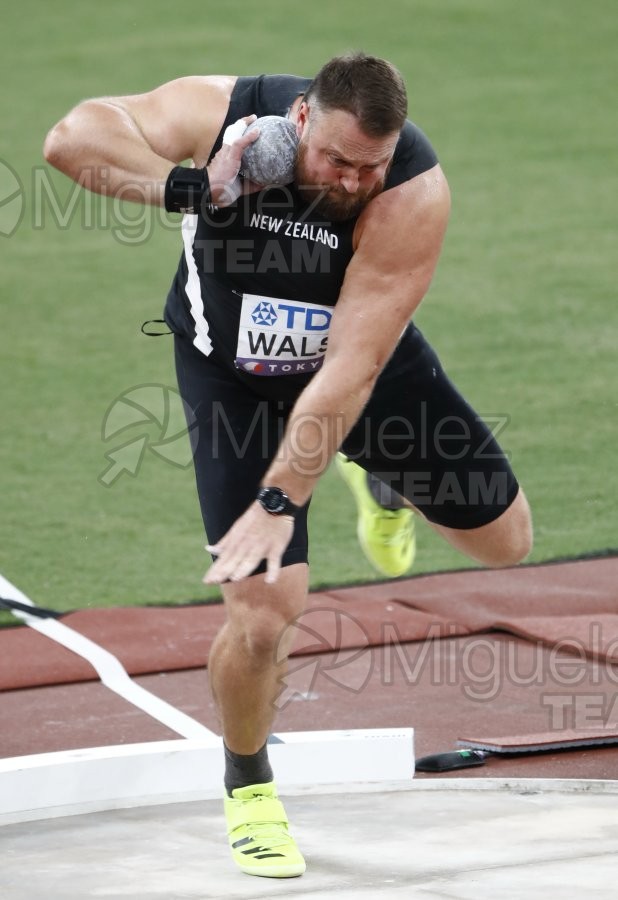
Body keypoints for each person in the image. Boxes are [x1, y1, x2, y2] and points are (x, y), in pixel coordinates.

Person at [44, 53, 533, 879]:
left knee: (505, 542)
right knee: (266, 613)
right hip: (232, 380)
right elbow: (72, 138)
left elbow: (351, 366)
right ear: (299, 120)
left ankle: (379, 480)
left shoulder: (411, 192)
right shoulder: (223, 112)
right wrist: (190, 187)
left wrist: (282, 494)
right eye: (337, 160)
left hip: (357, 369)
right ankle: (249, 785)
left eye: (369, 165)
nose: (350, 181)